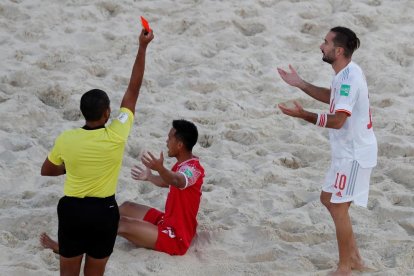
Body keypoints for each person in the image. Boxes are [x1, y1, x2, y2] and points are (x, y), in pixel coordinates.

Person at [39, 28, 154, 276]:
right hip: (104, 213)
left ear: (83, 112)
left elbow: (46, 170)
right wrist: (142, 47)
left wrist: (71, 166)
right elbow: (132, 92)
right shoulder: (116, 134)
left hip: (72, 211)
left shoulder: (67, 139)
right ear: (106, 114)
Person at [277, 26, 377, 275]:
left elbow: (337, 120)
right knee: (328, 199)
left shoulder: (350, 77)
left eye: (326, 42)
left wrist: (304, 115)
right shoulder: (346, 73)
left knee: (338, 206)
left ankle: (345, 267)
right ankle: (354, 257)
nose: (322, 46)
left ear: (339, 50)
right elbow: (333, 97)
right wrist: (300, 83)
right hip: (345, 152)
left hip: (354, 154)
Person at [41, 119, 205, 257]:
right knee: (127, 206)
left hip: (176, 237)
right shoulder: (184, 164)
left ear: (180, 145)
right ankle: (91, 224)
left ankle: (67, 248)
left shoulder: (193, 170)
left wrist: (160, 168)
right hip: (167, 221)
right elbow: (168, 181)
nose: (166, 141)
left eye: (170, 138)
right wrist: (150, 177)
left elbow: (177, 181)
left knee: (120, 223)